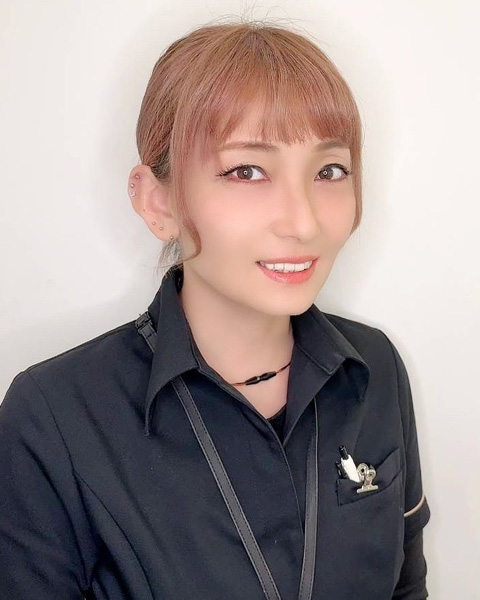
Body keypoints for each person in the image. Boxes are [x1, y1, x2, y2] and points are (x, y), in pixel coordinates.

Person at [0, 19, 430, 600]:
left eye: (329, 171)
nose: (303, 222)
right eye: (246, 171)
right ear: (159, 202)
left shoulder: (375, 366)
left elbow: (405, 586)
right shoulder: (53, 416)